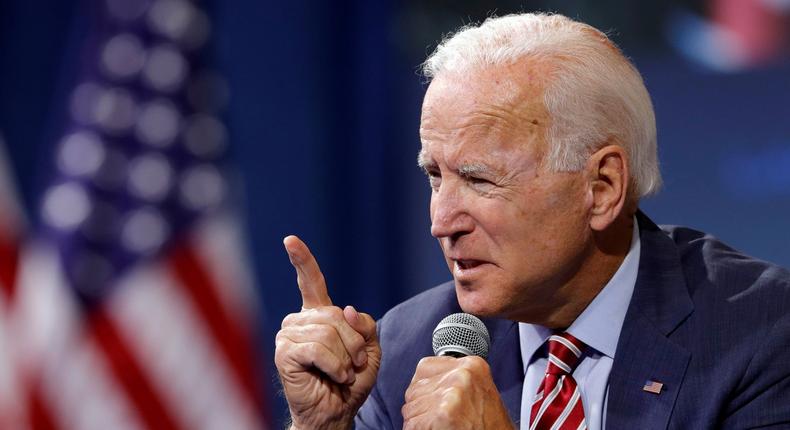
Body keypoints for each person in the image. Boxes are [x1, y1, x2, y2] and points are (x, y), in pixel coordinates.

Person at [274, 12, 790, 429]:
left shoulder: (759, 336)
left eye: (479, 180)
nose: (441, 221)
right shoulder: (410, 344)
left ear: (602, 187)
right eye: (435, 176)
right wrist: (320, 426)